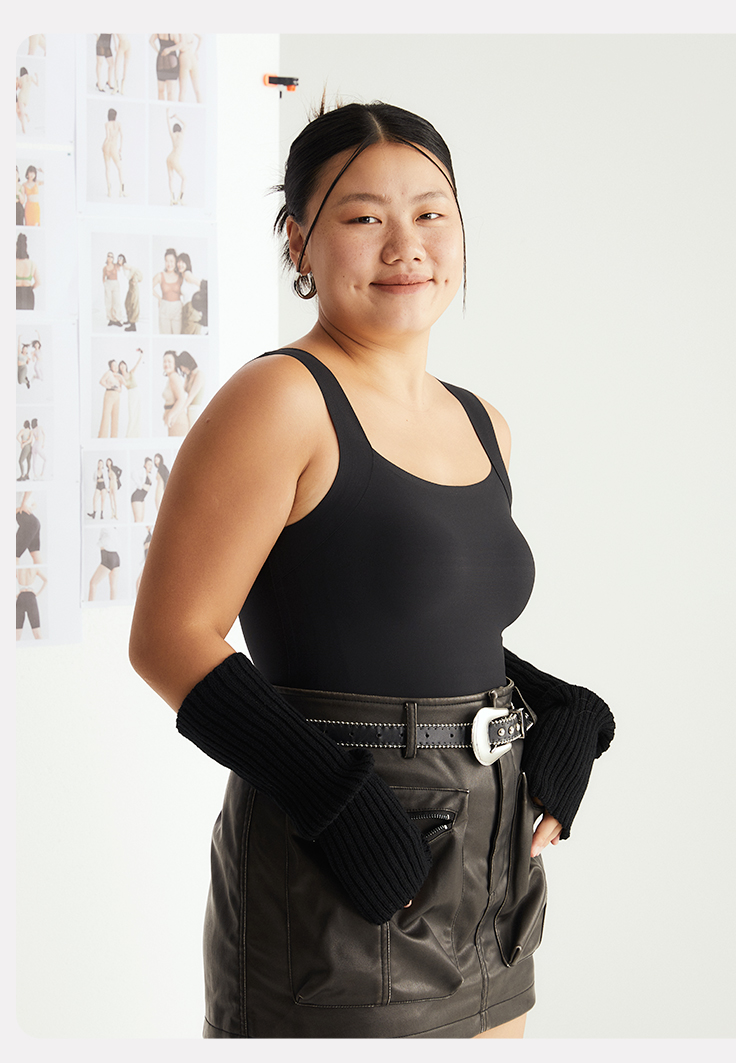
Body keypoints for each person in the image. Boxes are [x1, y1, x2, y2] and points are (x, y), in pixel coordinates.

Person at [130, 100, 614, 1040]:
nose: (406, 245)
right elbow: (168, 638)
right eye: (363, 217)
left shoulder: (483, 423)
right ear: (298, 240)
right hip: (345, 855)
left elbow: (414, 622)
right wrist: (335, 802)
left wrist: (560, 708)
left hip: (495, 862)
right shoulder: (280, 398)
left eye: (432, 213)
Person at [88, 526, 121, 601]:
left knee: (93, 583)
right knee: (113, 586)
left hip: (108, 557)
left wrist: (99, 543)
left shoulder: (107, 527)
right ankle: (113, 606)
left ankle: (90, 605)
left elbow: (106, 540)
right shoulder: (115, 529)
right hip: (116, 557)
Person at [161, 350, 190, 436]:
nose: (166, 364)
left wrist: (170, 415)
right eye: (164, 361)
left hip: (177, 421)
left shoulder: (173, 377)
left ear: (175, 364)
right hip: (175, 420)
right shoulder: (171, 377)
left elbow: (181, 399)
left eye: (169, 361)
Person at [101, 109, 126, 198]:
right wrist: (120, 148)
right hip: (114, 148)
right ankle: (122, 190)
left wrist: (103, 145)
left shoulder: (107, 124)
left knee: (107, 169)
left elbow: (107, 137)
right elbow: (122, 136)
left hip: (107, 147)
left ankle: (109, 191)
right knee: (120, 168)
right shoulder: (118, 124)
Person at [16, 565, 46, 639]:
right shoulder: (35, 568)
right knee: (37, 633)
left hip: (21, 597)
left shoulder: (17, 569)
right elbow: (46, 580)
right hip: (31, 598)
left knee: (16, 635)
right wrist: (37, 594)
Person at [175, 349, 204, 424]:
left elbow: (191, 396)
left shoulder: (199, 375)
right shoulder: (189, 375)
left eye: (182, 367)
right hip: (188, 410)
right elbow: (182, 392)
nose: (182, 370)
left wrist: (179, 412)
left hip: (195, 411)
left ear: (187, 363)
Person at [119, 349, 143, 436]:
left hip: (137, 392)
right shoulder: (120, 377)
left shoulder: (131, 372)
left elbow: (137, 363)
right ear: (119, 368)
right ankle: (129, 434)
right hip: (131, 393)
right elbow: (120, 388)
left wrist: (141, 355)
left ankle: (137, 434)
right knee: (132, 413)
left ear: (126, 366)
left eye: (123, 365)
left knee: (138, 412)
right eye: (121, 366)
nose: (122, 366)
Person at [97, 358, 124, 437]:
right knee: (106, 416)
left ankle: (114, 437)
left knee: (115, 417)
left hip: (117, 396)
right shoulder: (109, 373)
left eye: (116, 365)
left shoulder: (119, 376)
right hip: (109, 395)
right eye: (113, 365)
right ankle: (102, 437)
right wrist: (109, 386)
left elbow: (120, 389)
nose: (115, 367)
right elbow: (101, 381)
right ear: (110, 367)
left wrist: (117, 388)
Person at [150, 35, 180, 101]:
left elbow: (151, 41)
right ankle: (170, 108)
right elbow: (180, 45)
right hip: (172, 60)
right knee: (171, 92)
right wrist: (169, 49)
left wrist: (158, 51)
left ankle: (161, 108)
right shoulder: (173, 33)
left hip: (161, 61)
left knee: (161, 91)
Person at [166, 111, 186, 206]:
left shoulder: (173, 135)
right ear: (180, 129)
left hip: (169, 158)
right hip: (175, 159)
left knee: (171, 178)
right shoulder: (182, 134)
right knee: (184, 178)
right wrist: (177, 117)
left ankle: (172, 199)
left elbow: (168, 125)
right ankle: (180, 198)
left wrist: (167, 114)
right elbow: (185, 124)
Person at [16, 233, 39, 310]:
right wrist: (30, 288)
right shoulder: (32, 264)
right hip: (28, 294)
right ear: (26, 248)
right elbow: (38, 282)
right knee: (28, 316)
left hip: (16, 293)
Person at [178, 33, 202, 103]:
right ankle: (201, 107)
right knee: (197, 90)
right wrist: (196, 50)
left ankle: (180, 108)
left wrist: (188, 46)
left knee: (182, 90)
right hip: (192, 57)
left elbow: (182, 48)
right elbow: (201, 38)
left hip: (184, 57)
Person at [130, 457, 154, 522]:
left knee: (141, 520)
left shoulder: (148, 475)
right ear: (145, 465)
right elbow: (133, 474)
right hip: (137, 496)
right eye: (148, 464)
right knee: (138, 520)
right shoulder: (142, 471)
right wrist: (140, 485)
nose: (150, 466)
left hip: (142, 497)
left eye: (151, 465)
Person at [16, 67, 38, 135]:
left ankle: (23, 129)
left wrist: (17, 80)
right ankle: (26, 115)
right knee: (20, 111)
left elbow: (19, 87)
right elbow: (37, 84)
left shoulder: (21, 78)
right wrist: (37, 77)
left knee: (21, 113)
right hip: (27, 98)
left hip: (21, 96)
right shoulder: (30, 77)